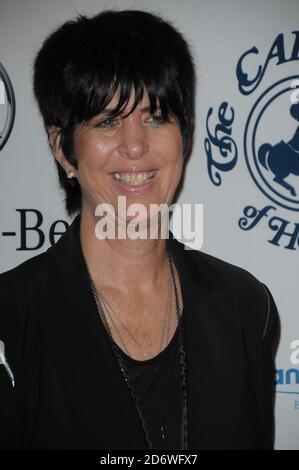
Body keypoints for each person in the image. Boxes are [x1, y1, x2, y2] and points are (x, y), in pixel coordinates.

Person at [0, 9, 279, 450]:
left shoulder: (248, 307)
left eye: (156, 116)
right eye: (107, 121)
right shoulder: (11, 319)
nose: (135, 146)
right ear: (62, 148)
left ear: (184, 136)